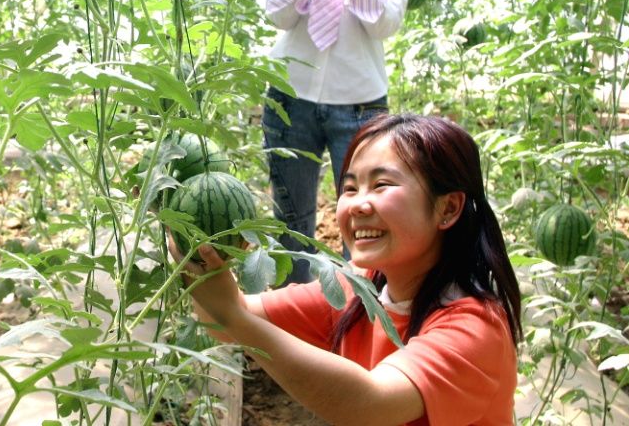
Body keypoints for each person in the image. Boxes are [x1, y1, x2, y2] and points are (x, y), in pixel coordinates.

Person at [171, 114, 523, 425]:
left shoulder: (475, 328)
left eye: (381, 184)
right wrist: (193, 245)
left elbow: (370, 404)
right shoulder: (360, 286)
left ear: (448, 208)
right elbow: (223, 321)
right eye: (350, 187)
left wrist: (234, 317)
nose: (357, 204)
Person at [262, 0, 414, 280]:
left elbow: (384, 23)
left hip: (360, 105)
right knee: (291, 225)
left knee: (367, 224)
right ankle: (292, 323)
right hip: (291, 99)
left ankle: (355, 321)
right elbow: (278, 16)